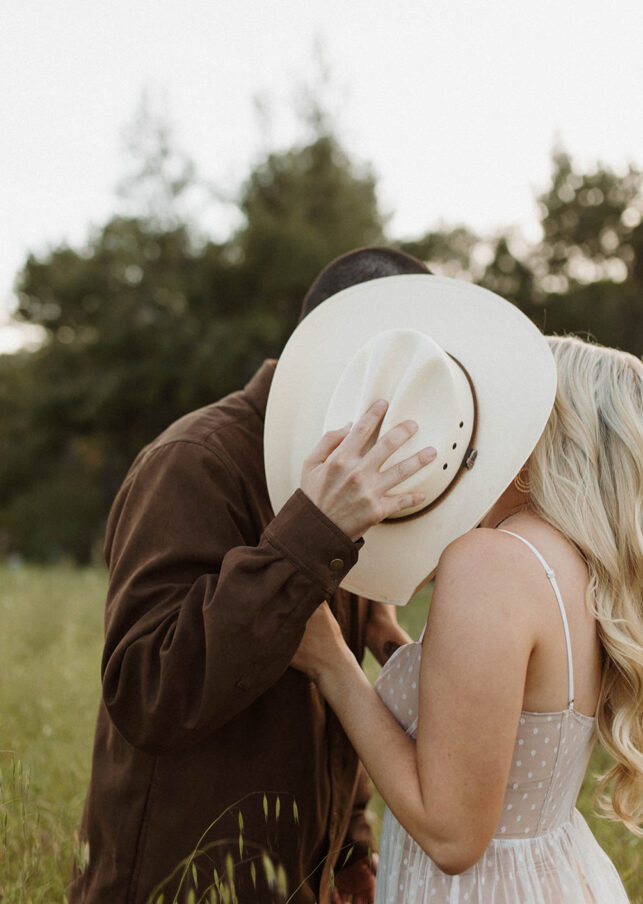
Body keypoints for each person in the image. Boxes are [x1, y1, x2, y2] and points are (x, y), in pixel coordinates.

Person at [68, 247, 432, 904]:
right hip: (179, 881)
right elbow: (146, 693)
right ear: (345, 347)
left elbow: (329, 673)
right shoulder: (193, 461)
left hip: (299, 875)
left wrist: (350, 840)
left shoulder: (349, 469)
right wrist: (308, 535)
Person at [289, 333, 642, 903]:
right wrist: (392, 644)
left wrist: (331, 662)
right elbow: (506, 709)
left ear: (541, 436)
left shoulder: (491, 562)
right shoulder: (578, 567)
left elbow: (452, 836)